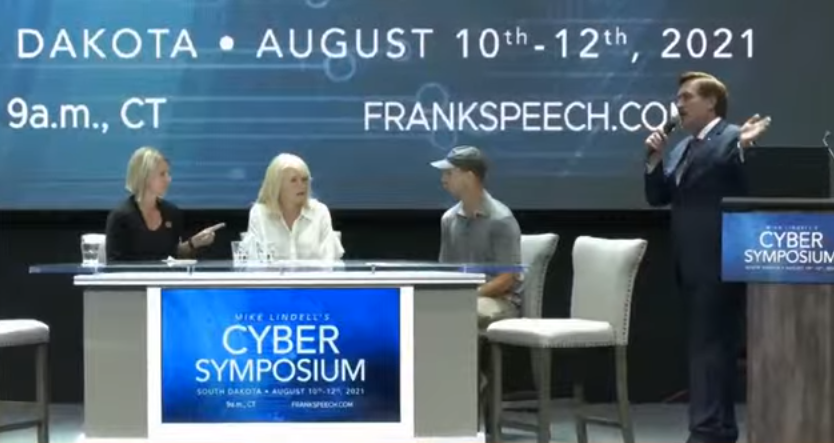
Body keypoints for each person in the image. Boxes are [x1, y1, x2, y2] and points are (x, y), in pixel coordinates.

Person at [644, 71, 771, 443]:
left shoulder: (730, 137)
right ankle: (718, 429)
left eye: (686, 97)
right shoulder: (683, 147)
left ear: (711, 102)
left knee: (713, 347)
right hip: (690, 261)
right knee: (706, 346)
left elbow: (729, 165)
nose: (678, 105)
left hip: (719, 257)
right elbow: (658, 197)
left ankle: (707, 430)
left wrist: (741, 143)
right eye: (677, 98)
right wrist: (654, 159)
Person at [431, 145, 523, 328]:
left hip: (500, 300)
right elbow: (446, 270)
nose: (443, 179)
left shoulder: (500, 219)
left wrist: (470, 295)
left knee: (459, 311)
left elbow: (507, 278)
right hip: (463, 297)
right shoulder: (449, 219)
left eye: (449, 173)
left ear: (469, 176)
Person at [105, 146, 219, 262]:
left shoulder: (172, 213)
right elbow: (114, 264)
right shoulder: (121, 217)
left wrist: (193, 243)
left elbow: (173, 255)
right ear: (145, 176)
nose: (168, 179)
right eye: (162, 174)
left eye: (168, 173)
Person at [245, 153, 344, 260]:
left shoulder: (320, 212)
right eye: (293, 180)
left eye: (304, 180)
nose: (301, 185)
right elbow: (253, 260)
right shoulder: (260, 213)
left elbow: (330, 261)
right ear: (277, 185)